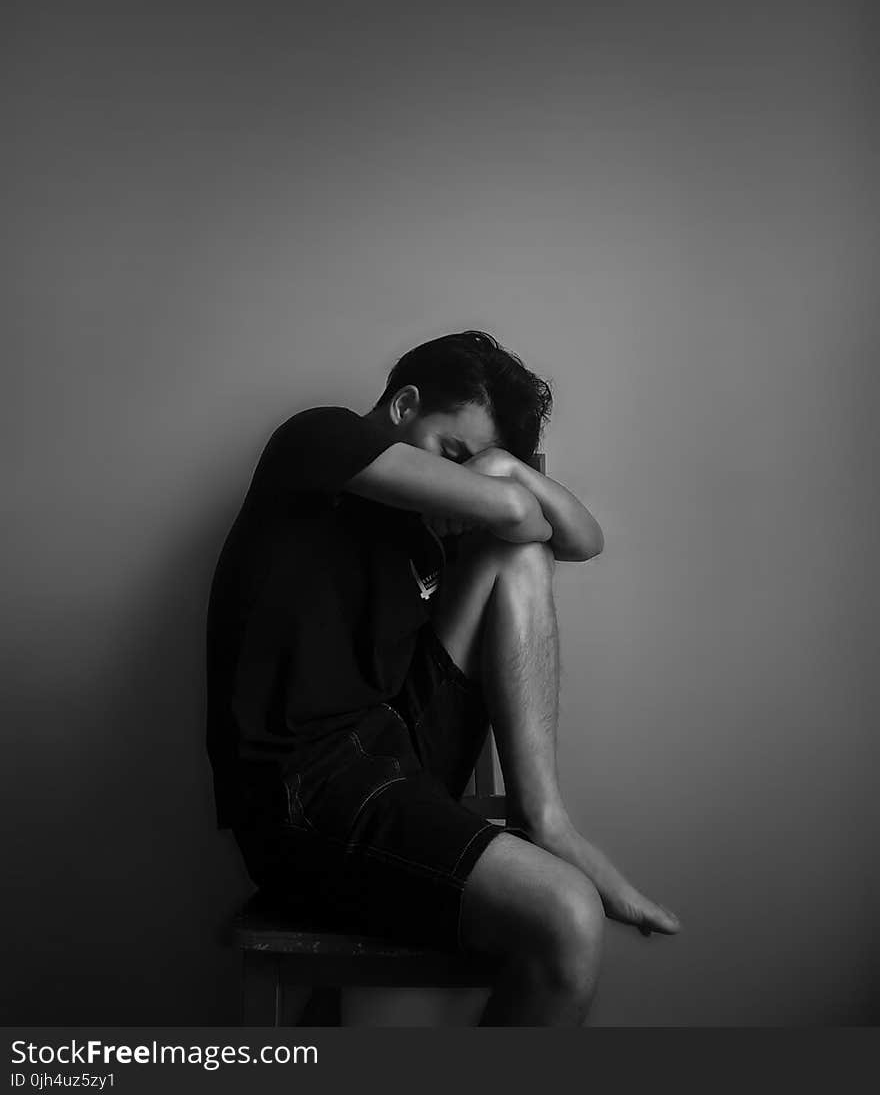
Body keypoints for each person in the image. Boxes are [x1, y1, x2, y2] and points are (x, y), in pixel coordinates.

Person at [206, 329, 680, 1026]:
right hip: (301, 786)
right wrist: (498, 479)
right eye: (452, 453)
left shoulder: (426, 524)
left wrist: (504, 469)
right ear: (403, 405)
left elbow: (583, 539)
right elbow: (520, 514)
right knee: (568, 915)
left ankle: (545, 819)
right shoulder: (316, 440)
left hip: (391, 748)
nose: (460, 479)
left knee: (520, 560)